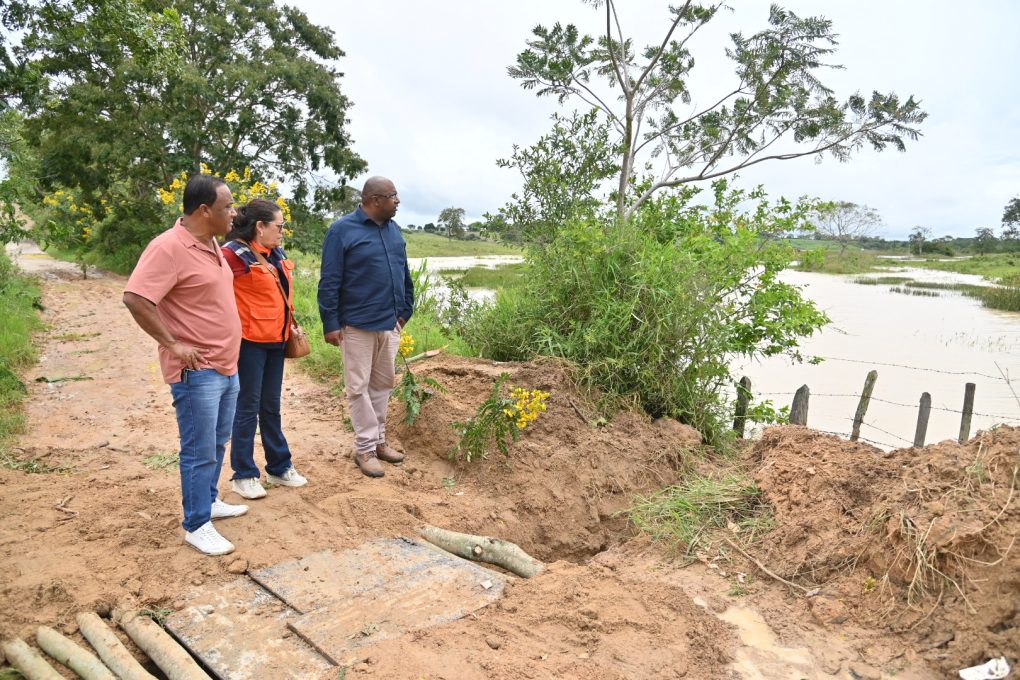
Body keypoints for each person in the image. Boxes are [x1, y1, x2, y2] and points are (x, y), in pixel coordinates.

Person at [123, 173, 248, 556]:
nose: (234, 212)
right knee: (199, 449)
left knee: (217, 441)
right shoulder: (168, 247)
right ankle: (196, 523)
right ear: (204, 209)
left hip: (227, 365)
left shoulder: (212, 244)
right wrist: (173, 344)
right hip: (198, 372)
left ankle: (209, 501)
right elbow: (136, 298)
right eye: (227, 206)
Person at [318, 176, 414, 478]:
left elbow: (403, 271)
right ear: (375, 200)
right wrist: (330, 322)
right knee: (358, 388)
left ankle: (379, 441)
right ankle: (364, 448)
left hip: (390, 324)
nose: (398, 201)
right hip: (356, 325)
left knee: (383, 384)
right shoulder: (342, 231)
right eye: (393, 196)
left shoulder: (394, 230)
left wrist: (405, 310)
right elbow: (330, 280)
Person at [221, 199, 308, 499]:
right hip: (249, 343)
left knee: (270, 405)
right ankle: (243, 474)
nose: (283, 232)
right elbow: (211, 289)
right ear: (260, 226)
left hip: (276, 340)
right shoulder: (232, 255)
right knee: (247, 407)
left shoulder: (275, 254)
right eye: (279, 226)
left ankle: (279, 466)